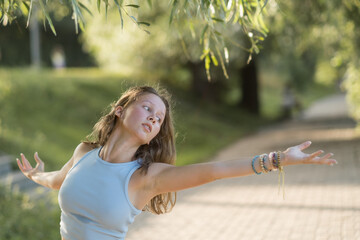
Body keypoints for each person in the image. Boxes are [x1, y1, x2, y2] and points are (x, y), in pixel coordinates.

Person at [16, 86, 337, 240]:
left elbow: (214, 171)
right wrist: (34, 175)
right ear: (120, 110)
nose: (154, 118)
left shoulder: (145, 178)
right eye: (147, 108)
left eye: (159, 119)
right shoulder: (83, 153)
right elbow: (58, 180)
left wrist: (278, 159)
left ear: (155, 134)